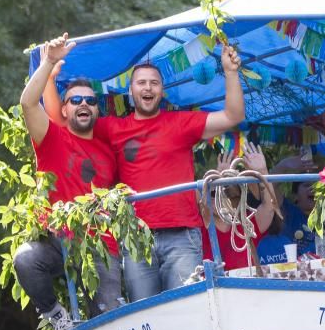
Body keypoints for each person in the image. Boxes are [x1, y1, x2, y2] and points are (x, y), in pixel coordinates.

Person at [87, 38, 246, 300]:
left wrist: (230, 72)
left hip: (182, 236)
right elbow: (67, 128)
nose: (148, 87)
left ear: (162, 91)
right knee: (146, 313)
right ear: (131, 91)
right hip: (136, 237)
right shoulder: (112, 128)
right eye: (141, 82)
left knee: (186, 309)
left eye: (154, 83)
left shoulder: (181, 123)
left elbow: (233, 116)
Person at [13, 34, 122, 330]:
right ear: (64, 109)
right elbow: (26, 102)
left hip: (101, 246)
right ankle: (58, 317)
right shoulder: (51, 139)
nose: (84, 104)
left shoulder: (107, 153)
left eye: (90, 100)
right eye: (76, 100)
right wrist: (48, 62)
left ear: (97, 110)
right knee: (25, 259)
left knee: (110, 320)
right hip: (57, 241)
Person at [199, 143, 277, 271]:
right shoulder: (197, 229)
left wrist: (262, 171)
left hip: (245, 288)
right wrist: (218, 179)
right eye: (213, 192)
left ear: (239, 198)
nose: (218, 197)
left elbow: (270, 206)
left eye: (227, 193)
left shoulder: (248, 222)